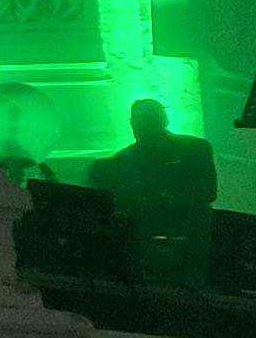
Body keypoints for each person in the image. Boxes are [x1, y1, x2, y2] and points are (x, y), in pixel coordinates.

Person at [88, 98, 221, 287]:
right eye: (140, 121)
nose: (143, 127)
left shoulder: (194, 149)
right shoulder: (124, 160)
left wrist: (164, 202)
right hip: (149, 245)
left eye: (148, 120)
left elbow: (207, 192)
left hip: (186, 243)